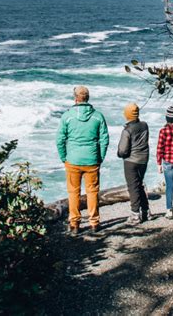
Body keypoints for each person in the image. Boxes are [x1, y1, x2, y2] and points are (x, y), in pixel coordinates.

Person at [56, 85, 109, 236]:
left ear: (75, 98)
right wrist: (100, 157)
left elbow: (59, 139)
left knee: (73, 192)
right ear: (88, 98)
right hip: (92, 159)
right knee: (92, 192)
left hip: (72, 160)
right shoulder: (98, 116)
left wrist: (63, 157)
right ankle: (94, 222)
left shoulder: (67, 116)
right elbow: (105, 139)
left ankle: (75, 224)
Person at [117, 102, 150, 224]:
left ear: (127, 115)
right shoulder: (144, 125)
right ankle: (146, 211)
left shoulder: (127, 130)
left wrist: (119, 154)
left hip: (131, 161)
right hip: (143, 160)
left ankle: (135, 215)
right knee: (139, 184)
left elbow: (123, 150)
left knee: (133, 187)